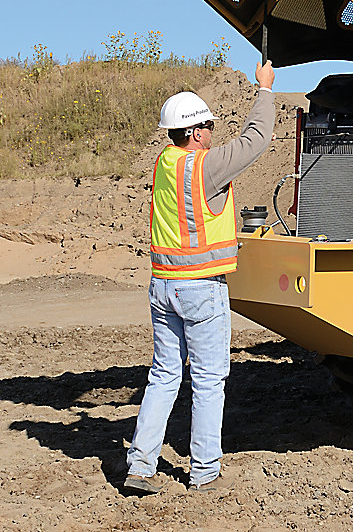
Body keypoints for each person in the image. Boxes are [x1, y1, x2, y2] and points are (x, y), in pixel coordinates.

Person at [124, 60, 276, 494]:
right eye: (207, 126)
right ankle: (205, 471)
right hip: (200, 289)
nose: (212, 132)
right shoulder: (203, 167)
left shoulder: (164, 164)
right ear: (194, 133)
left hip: (162, 286)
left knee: (164, 376)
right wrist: (264, 89)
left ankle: (140, 467)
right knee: (209, 381)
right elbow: (256, 139)